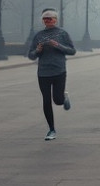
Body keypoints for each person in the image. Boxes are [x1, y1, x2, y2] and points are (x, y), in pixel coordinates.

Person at [28, 8, 76, 141]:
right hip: (43, 72)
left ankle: (64, 98)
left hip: (59, 70)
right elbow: (31, 55)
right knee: (46, 100)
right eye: (45, 19)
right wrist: (37, 50)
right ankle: (51, 129)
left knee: (57, 100)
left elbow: (72, 51)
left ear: (55, 20)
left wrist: (58, 46)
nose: (47, 21)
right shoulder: (39, 36)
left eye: (50, 18)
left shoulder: (62, 33)